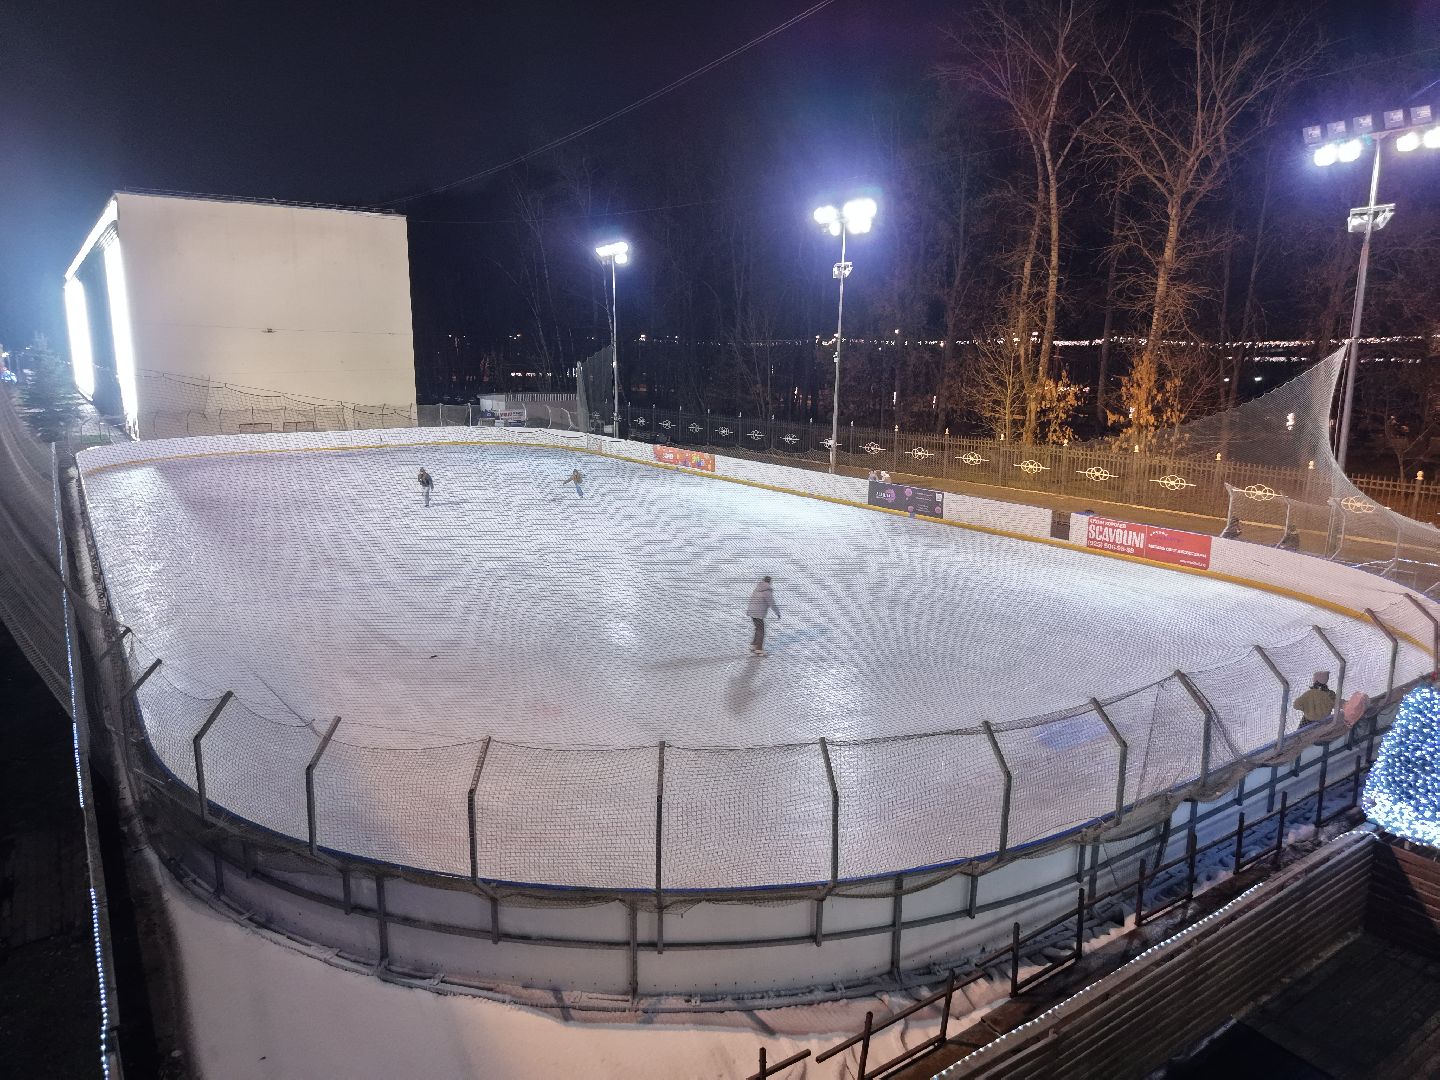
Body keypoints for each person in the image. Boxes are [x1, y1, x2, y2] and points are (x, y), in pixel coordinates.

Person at [746, 575, 780, 656]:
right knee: (761, 630)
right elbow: (772, 603)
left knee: (758, 628)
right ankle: (759, 649)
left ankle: (754, 645)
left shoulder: (757, 588)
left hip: (752, 611)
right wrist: (777, 612)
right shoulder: (767, 591)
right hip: (758, 613)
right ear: (769, 582)